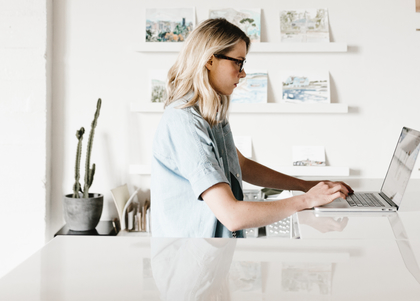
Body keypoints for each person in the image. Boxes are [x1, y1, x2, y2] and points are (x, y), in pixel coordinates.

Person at [151, 18, 352, 238]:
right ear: (209, 60)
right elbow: (232, 215)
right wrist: (307, 200)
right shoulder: (185, 122)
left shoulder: (210, 113)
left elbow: (241, 165)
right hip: (189, 263)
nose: (243, 72)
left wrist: (306, 185)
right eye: (238, 62)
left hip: (211, 258)